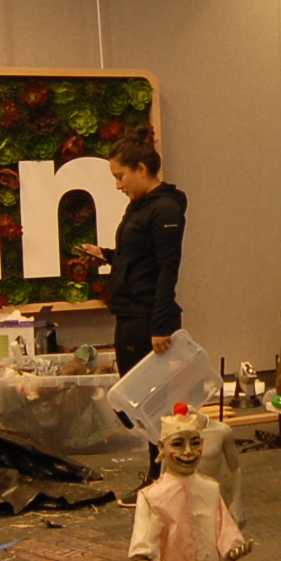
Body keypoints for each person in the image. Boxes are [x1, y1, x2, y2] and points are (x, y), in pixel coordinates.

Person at [99, 135, 186, 472]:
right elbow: (138, 255)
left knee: (152, 403)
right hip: (128, 313)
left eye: (120, 176)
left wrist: (161, 325)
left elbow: (167, 268)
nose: (118, 185)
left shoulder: (166, 209)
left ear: (141, 169)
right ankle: (158, 471)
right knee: (133, 402)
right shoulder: (139, 206)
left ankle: (160, 473)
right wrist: (107, 255)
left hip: (148, 317)